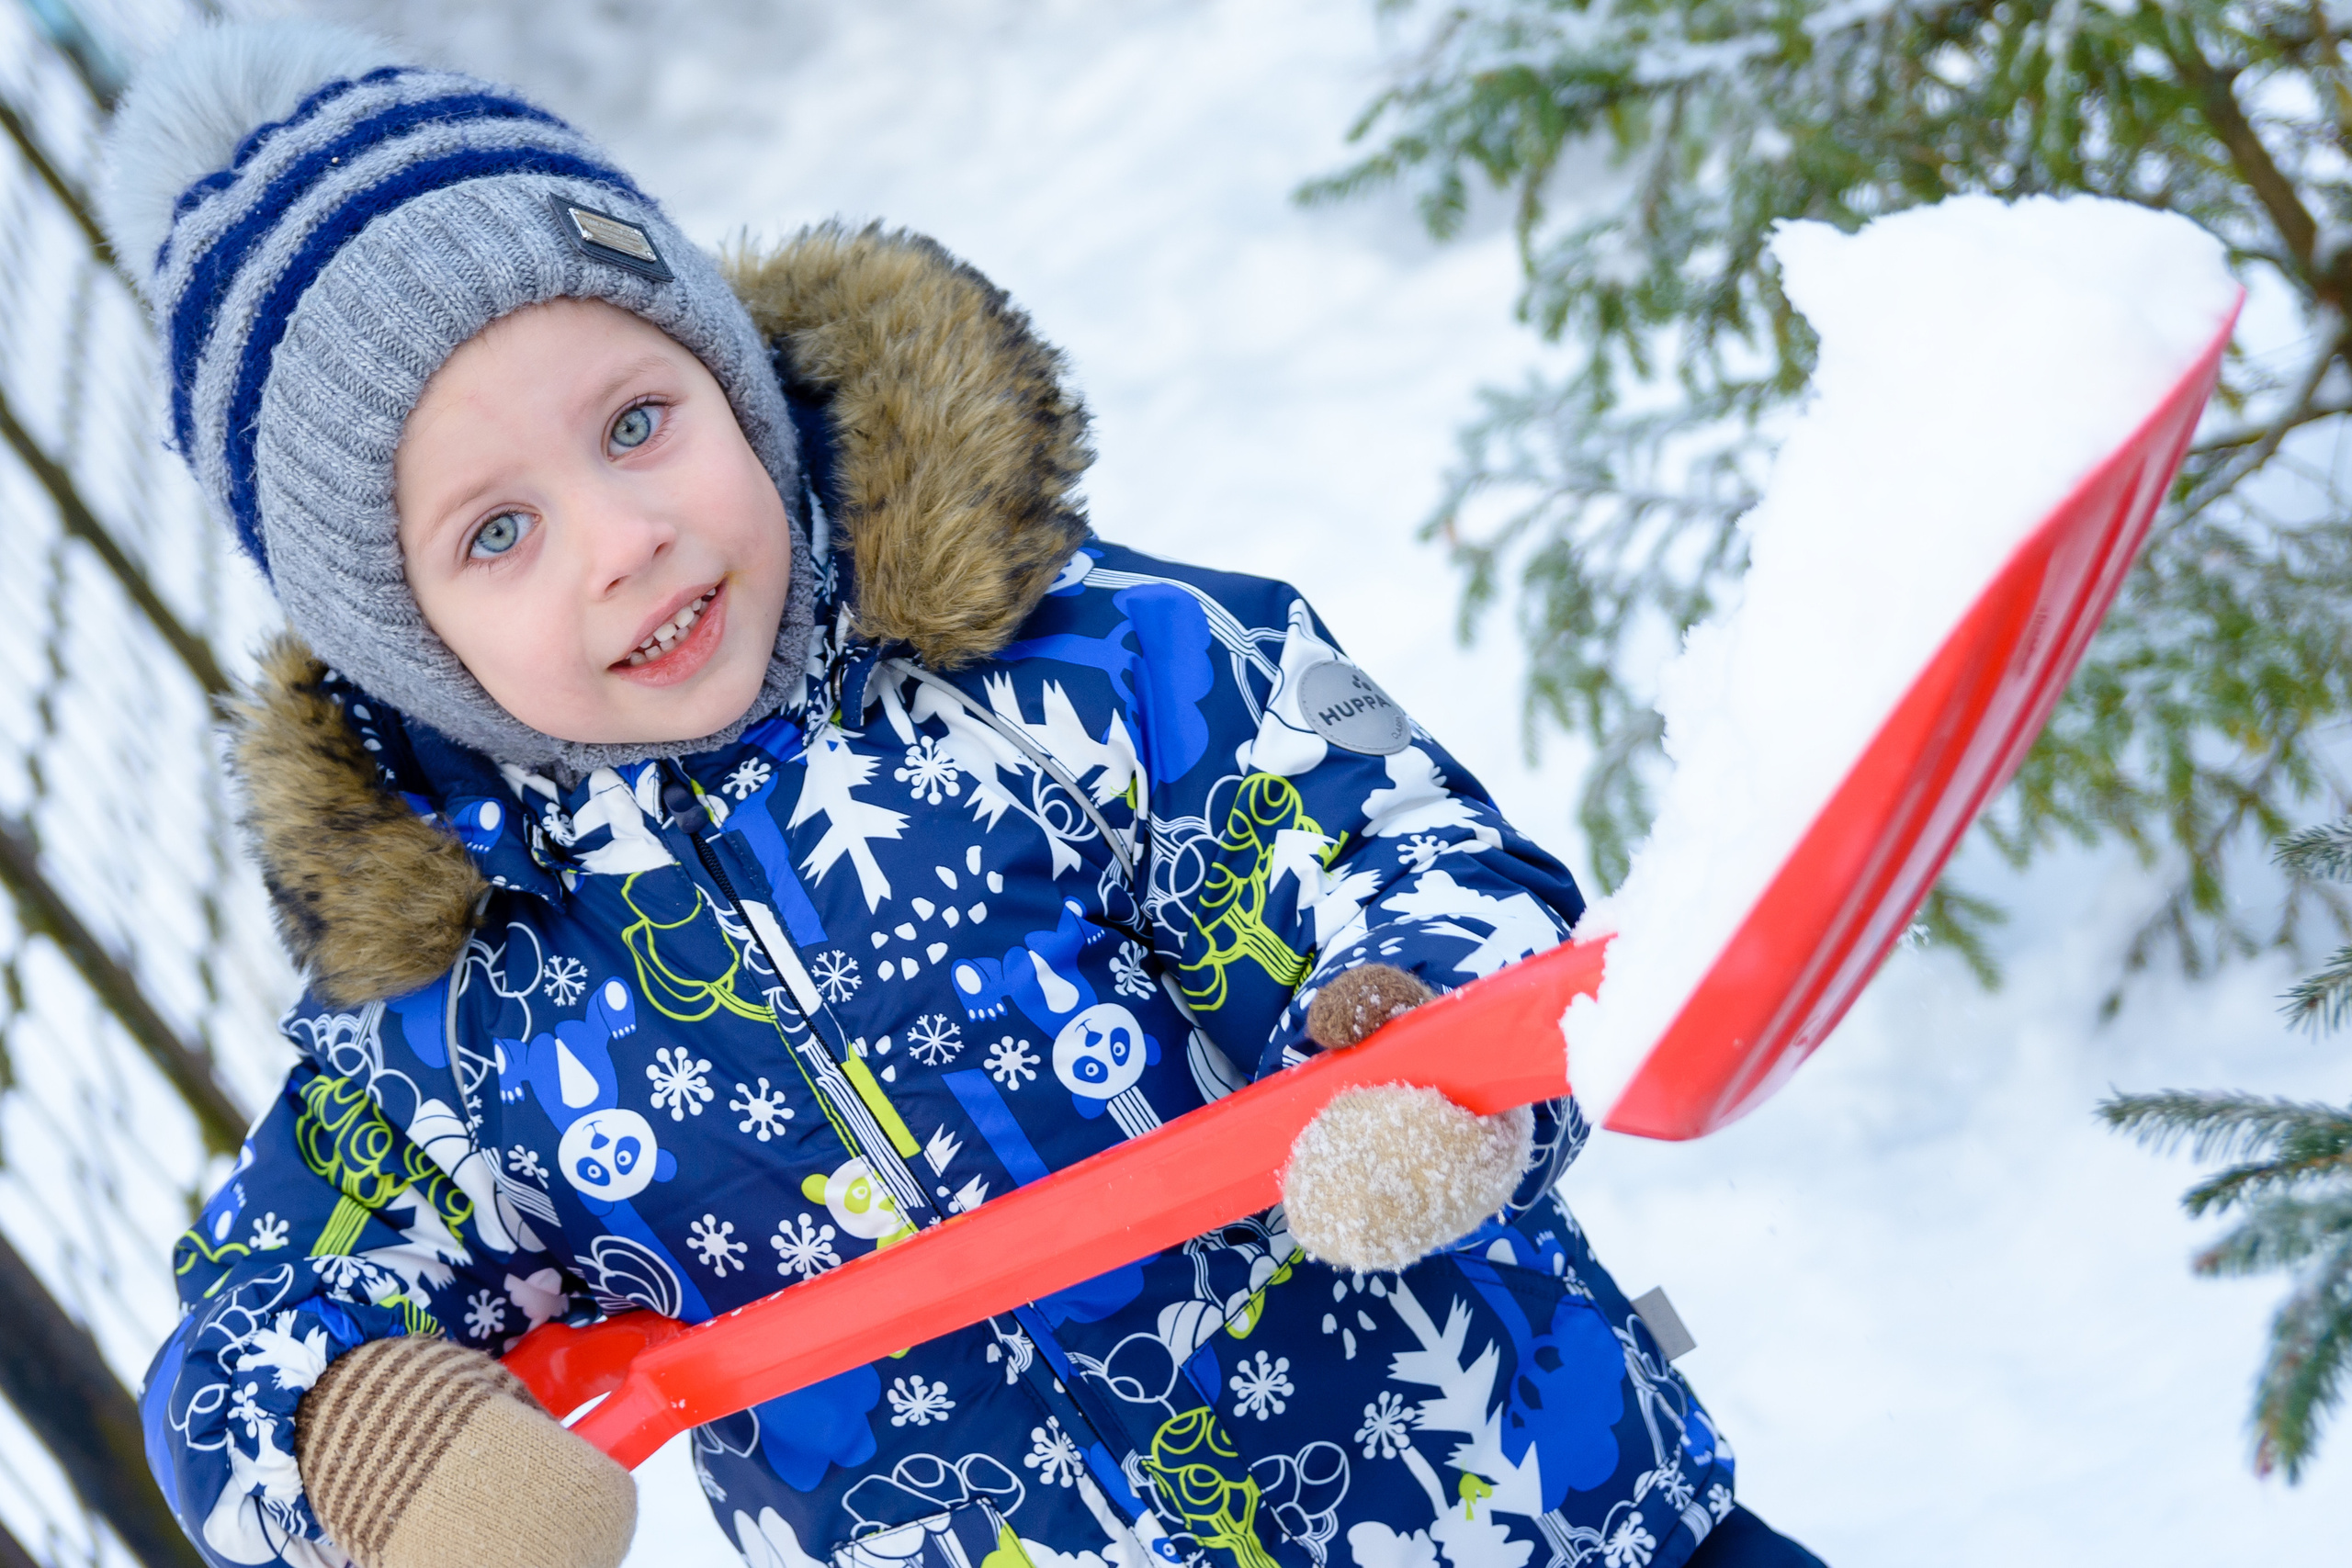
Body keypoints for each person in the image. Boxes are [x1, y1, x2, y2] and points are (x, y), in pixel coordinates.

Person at [107, 21, 1826, 1568]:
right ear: (402, 645)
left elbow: (1377, 843)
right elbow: (255, 1320)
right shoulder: (463, 1021)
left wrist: (1420, 1039)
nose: (623, 538)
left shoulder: (1090, 676)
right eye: (498, 531)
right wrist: (379, 1445)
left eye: (637, 422)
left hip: (1535, 1513)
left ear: (736, 382)